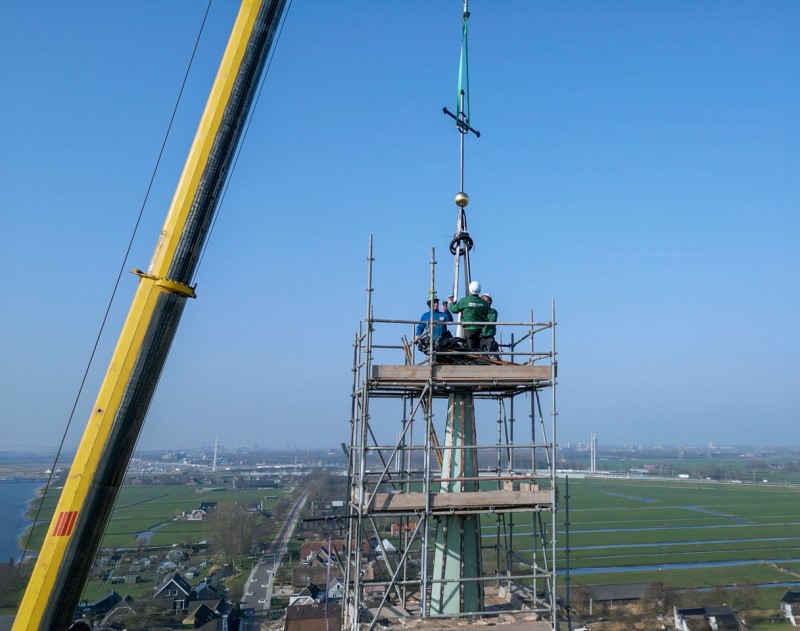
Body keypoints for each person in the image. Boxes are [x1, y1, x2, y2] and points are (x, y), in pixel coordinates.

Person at [448, 280, 489, 350]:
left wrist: (451, 303)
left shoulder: (465, 301)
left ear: (470, 289)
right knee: (479, 350)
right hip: (481, 330)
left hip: (469, 329)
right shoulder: (484, 303)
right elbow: (486, 313)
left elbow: (453, 310)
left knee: (469, 350)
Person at [479, 293, 499, 358]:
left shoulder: (492, 311)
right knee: (478, 356)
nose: (483, 298)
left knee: (493, 355)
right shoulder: (478, 311)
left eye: (485, 297)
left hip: (488, 336)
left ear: (489, 301)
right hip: (478, 337)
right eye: (482, 297)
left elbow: (491, 320)